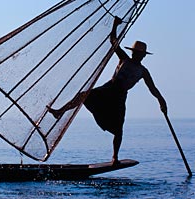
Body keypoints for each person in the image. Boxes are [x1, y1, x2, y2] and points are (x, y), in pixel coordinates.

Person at [47, 16, 167, 165]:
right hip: (109, 88)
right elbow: (113, 41)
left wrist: (161, 100)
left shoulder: (143, 71)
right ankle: (60, 112)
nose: (136, 54)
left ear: (143, 55)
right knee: (84, 96)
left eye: (139, 53)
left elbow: (153, 88)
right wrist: (115, 26)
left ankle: (115, 157)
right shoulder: (124, 59)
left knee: (119, 129)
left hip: (120, 96)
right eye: (135, 52)